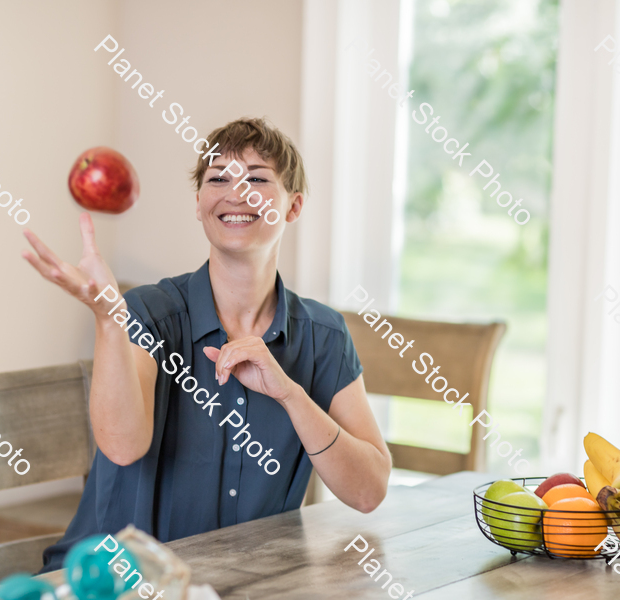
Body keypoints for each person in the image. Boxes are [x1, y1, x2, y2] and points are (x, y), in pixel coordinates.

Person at [23, 117, 391, 572]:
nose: (236, 193)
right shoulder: (145, 315)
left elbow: (368, 491)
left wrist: (291, 395)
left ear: (293, 206)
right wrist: (108, 319)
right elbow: (122, 446)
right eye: (218, 178)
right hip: (113, 583)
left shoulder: (324, 335)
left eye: (257, 178)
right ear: (199, 204)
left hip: (241, 584)